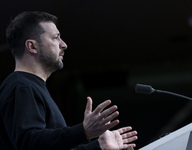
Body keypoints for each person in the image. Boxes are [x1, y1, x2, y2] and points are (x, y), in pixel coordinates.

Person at [0, 11, 138, 150]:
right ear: (32, 46)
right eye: (56, 38)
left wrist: (100, 146)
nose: (64, 44)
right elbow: (29, 144)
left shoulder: (28, 87)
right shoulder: (21, 87)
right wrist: (83, 131)